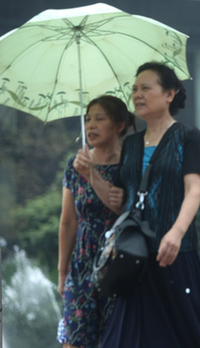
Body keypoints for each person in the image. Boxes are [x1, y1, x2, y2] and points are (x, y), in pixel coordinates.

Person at [97, 61, 200, 348]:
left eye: (146, 88)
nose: (137, 95)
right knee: (125, 338)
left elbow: (193, 191)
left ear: (170, 94)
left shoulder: (188, 137)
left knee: (190, 333)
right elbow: (119, 201)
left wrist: (176, 232)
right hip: (132, 255)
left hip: (173, 252)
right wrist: (90, 175)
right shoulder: (130, 144)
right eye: (134, 89)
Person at [57, 95, 135, 348]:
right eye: (88, 119)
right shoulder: (74, 165)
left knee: (113, 339)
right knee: (75, 339)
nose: (91, 125)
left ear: (119, 125)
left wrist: (92, 175)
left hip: (117, 262)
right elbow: (68, 222)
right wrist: (62, 272)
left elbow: (123, 210)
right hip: (81, 265)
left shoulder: (129, 164)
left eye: (99, 119)